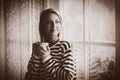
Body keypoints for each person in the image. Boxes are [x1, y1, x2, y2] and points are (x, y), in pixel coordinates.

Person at [25, 8, 76, 80]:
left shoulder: (65, 46)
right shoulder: (37, 47)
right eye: (49, 22)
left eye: (57, 22)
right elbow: (29, 77)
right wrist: (36, 57)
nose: (53, 25)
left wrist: (46, 58)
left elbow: (68, 77)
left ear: (61, 25)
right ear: (42, 26)